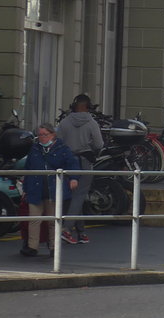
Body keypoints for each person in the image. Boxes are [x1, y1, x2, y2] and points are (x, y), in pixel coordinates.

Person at [20, 123, 80, 257]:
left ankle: (54, 247)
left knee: (53, 221)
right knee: (34, 220)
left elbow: (73, 164)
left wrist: (74, 178)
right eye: (39, 135)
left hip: (54, 190)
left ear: (53, 135)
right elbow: (28, 169)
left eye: (45, 134)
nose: (42, 137)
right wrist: (25, 188)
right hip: (36, 189)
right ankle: (32, 247)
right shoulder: (34, 149)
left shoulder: (63, 149)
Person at [55, 93, 104, 244]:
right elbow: (99, 145)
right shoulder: (91, 123)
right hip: (83, 162)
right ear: (88, 107)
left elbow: (57, 142)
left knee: (74, 196)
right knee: (79, 196)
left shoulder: (64, 122)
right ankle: (67, 229)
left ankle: (81, 232)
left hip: (67, 162)